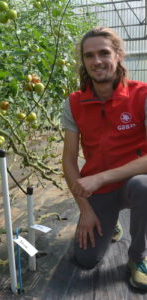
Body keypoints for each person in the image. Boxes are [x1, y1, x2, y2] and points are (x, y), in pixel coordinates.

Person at [61, 27, 147, 290]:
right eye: (89, 55)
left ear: (118, 55)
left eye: (104, 53)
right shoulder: (75, 103)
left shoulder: (141, 95)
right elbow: (68, 161)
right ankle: (111, 226)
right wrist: (85, 210)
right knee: (86, 260)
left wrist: (100, 177)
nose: (96, 61)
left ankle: (137, 258)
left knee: (144, 187)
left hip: (133, 182)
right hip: (101, 193)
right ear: (84, 62)